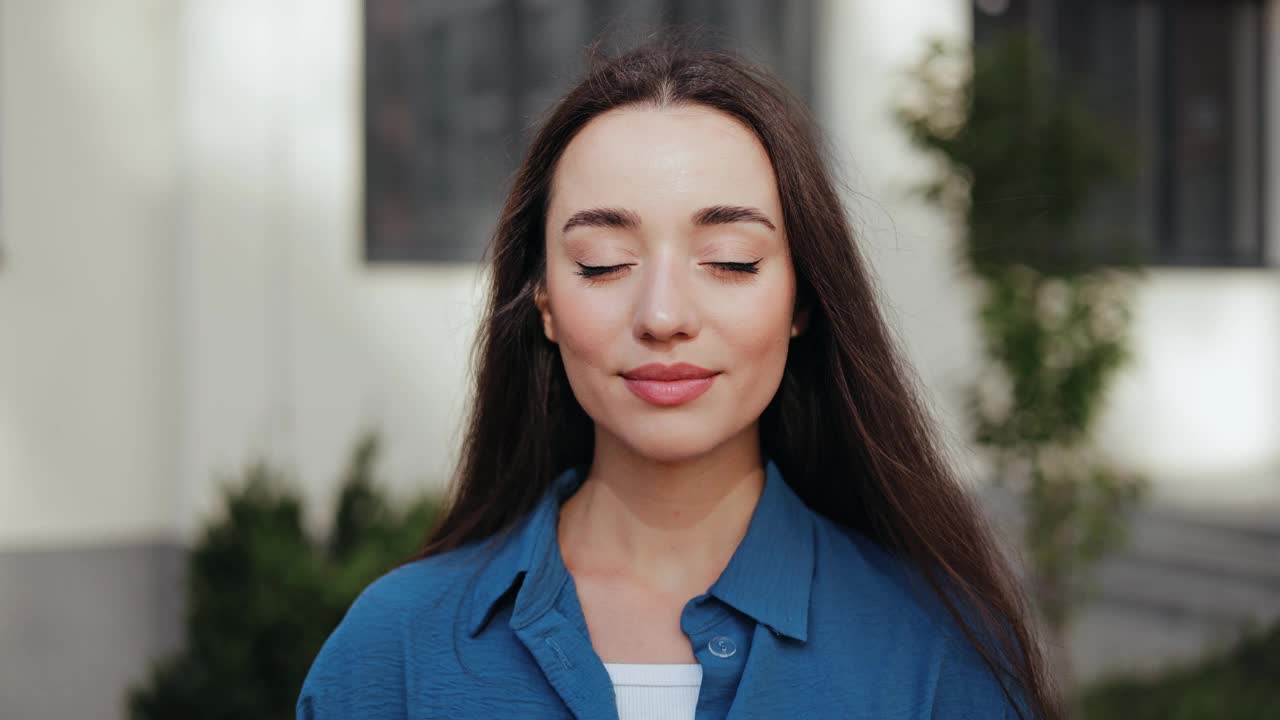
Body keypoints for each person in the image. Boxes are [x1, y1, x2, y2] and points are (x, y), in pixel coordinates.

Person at [297, 37, 1060, 720]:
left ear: (802, 298)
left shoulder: (934, 649)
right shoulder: (392, 651)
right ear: (545, 303)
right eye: (604, 263)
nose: (663, 315)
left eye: (730, 260)